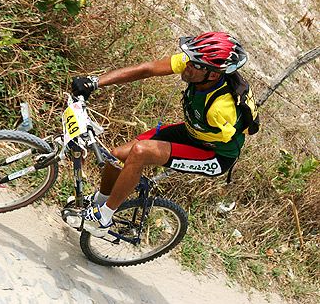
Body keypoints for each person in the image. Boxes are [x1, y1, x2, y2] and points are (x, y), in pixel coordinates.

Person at [71, 31, 249, 237]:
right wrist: (95, 82)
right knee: (115, 156)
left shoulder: (221, 108)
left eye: (194, 65)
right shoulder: (200, 65)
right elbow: (148, 69)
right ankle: (99, 203)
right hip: (193, 133)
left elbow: (233, 134)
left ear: (214, 74)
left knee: (140, 152)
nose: (187, 66)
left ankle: (104, 217)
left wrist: (157, 153)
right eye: (189, 60)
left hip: (214, 153)